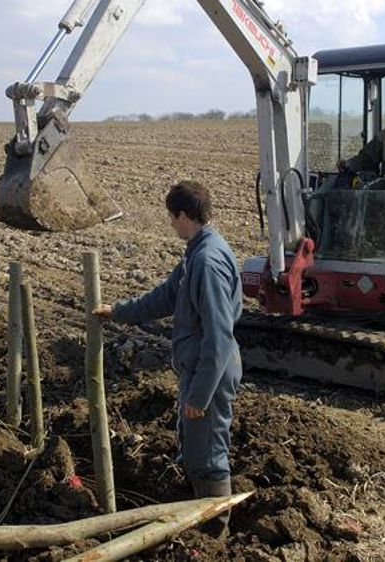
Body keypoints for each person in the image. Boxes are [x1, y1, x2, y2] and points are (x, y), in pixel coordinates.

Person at [93, 180, 242, 540]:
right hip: (200, 368)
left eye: (172, 218)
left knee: (207, 455)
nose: (170, 225)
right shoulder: (196, 252)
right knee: (196, 449)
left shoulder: (207, 262)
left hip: (211, 371)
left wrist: (200, 395)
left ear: (184, 215)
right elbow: (165, 296)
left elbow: (219, 336)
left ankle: (214, 537)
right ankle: (202, 524)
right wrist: (118, 312)